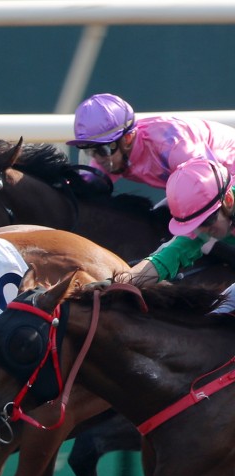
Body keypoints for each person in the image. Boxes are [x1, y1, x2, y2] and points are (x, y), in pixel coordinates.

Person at [128, 158, 235, 312]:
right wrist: (116, 282)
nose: (204, 231)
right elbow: (167, 257)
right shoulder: (211, 215)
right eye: (196, 225)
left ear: (229, 200)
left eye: (206, 221)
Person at [67, 93, 235, 190]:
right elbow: (87, 192)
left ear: (127, 139)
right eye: (89, 151)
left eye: (102, 149)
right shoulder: (112, 156)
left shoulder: (173, 145)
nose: (97, 158)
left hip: (219, 180)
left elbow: (212, 190)